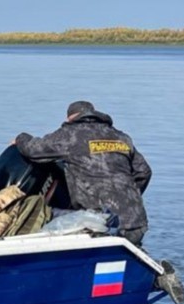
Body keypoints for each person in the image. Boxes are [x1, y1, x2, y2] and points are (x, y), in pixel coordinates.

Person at [13, 100, 152, 244]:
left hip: (101, 223)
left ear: (70, 118)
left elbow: (33, 149)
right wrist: (126, 197)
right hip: (135, 222)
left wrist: (20, 138)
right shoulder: (121, 137)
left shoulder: (70, 135)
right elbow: (144, 172)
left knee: (45, 213)